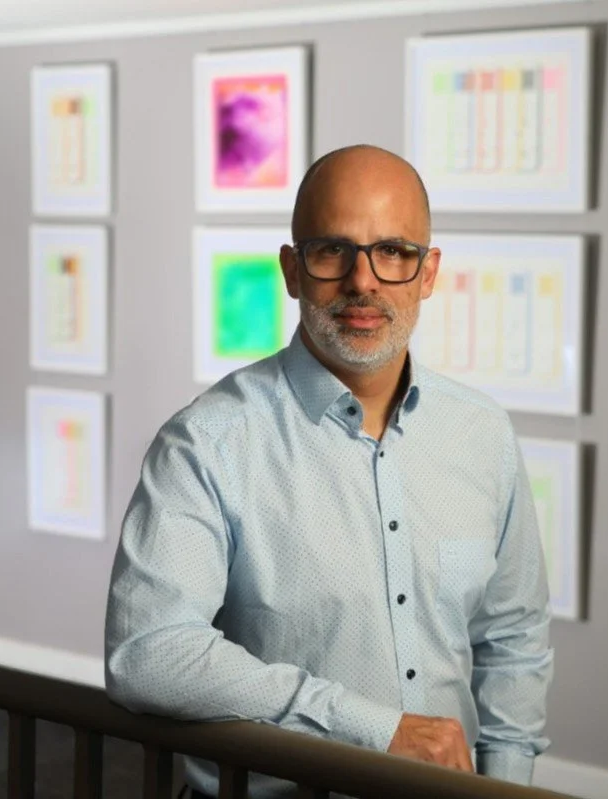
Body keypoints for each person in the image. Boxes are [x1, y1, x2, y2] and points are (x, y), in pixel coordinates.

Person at [105, 145, 553, 798]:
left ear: (428, 272)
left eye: (393, 251)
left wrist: (507, 788)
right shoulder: (206, 441)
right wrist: (373, 727)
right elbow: (148, 653)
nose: (363, 281)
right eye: (331, 250)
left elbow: (512, 640)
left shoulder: (481, 433)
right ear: (291, 269)